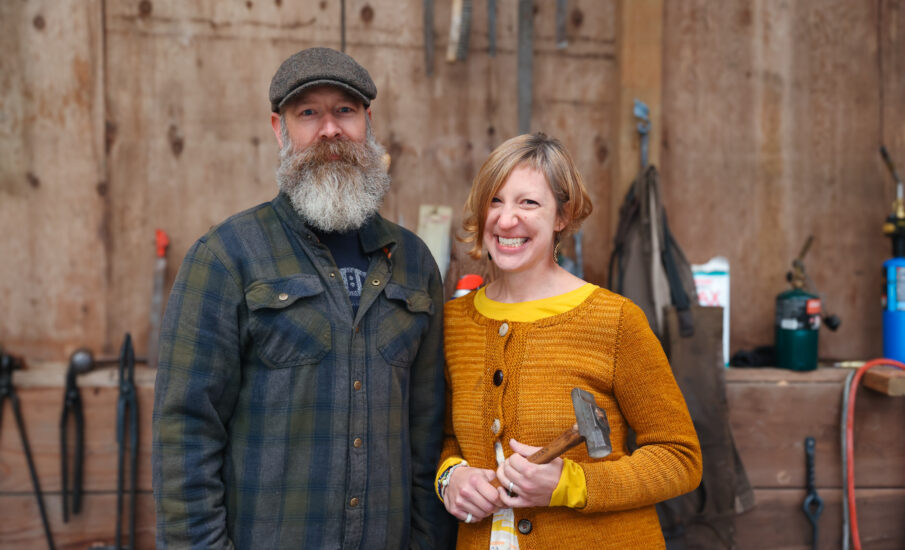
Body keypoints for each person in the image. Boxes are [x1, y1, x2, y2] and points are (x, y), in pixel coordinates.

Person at [152, 47, 450, 550]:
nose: (329, 129)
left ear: (367, 123)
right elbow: (185, 434)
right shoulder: (226, 258)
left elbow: (427, 434)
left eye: (345, 111)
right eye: (308, 113)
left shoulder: (415, 262)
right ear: (280, 129)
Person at [435, 133, 703, 549]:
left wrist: (571, 483)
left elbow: (680, 458)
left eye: (528, 203)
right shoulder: (452, 323)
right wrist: (451, 476)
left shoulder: (614, 321)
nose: (506, 220)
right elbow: (443, 438)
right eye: (495, 200)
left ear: (561, 216)